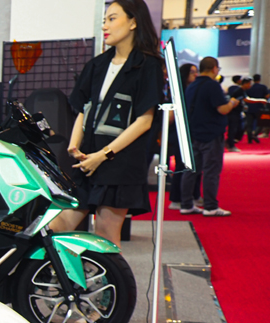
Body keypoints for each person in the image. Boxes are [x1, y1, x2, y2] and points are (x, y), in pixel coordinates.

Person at [48, 0, 163, 248]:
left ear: (133, 22)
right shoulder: (97, 65)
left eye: (112, 18)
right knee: (57, 226)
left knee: (105, 236)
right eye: (104, 20)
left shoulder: (148, 65)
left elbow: (144, 121)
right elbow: (83, 108)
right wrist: (74, 145)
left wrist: (104, 155)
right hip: (87, 161)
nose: (105, 26)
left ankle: (106, 276)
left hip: (120, 163)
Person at [178, 57, 240, 217]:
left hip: (194, 133)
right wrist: (232, 103)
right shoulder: (212, 85)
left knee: (191, 171)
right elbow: (222, 109)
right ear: (214, 68)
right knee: (211, 171)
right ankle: (210, 206)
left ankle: (186, 204)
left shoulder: (192, 86)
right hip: (211, 134)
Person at [169, 63, 201, 210]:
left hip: (194, 131)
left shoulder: (195, 89)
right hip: (179, 132)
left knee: (195, 166)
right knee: (182, 165)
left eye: (196, 72)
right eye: (192, 72)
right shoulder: (178, 91)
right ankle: (176, 198)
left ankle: (193, 196)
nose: (195, 75)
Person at [226, 77, 250, 152]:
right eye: (249, 84)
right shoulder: (238, 91)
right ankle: (230, 145)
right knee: (233, 129)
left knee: (239, 128)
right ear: (245, 84)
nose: (250, 85)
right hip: (233, 113)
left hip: (238, 113)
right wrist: (260, 101)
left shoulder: (242, 91)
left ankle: (229, 142)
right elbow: (246, 100)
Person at [246, 73, 268, 143]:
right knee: (261, 123)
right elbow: (267, 96)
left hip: (250, 107)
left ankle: (249, 138)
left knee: (249, 124)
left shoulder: (249, 87)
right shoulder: (263, 87)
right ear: (260, 79)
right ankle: (255, 134)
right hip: (259, 107)